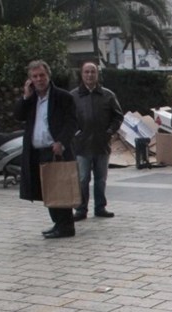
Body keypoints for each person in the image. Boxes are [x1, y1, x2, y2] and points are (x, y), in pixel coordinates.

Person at [14, 60, 77, 239]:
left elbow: (72, 122)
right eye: (35, 77)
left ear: (48, 76)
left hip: (56, 150)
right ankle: (58, 223)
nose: (39, 79)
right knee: (47, 189)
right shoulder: (31, 99)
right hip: (37, 151)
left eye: (42, 75)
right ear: (30, 80)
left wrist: (61, 142)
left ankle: (66, 226)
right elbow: (18, 115)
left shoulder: (63, 97)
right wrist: (25, 97)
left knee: (60, 187)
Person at [70, 62, 123, 222]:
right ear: (82, 74)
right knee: (83, 178)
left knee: (101, 179)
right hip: (82, 146)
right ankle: (81, 209)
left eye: (93, 72)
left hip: (102, 145)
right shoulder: (73, 96)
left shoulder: (108, 95)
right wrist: (76, 133)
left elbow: (118, 116)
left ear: (97, 74)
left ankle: (100, 207)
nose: (90, 75)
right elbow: (68, 118)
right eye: (86, 72)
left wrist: (109, 132)